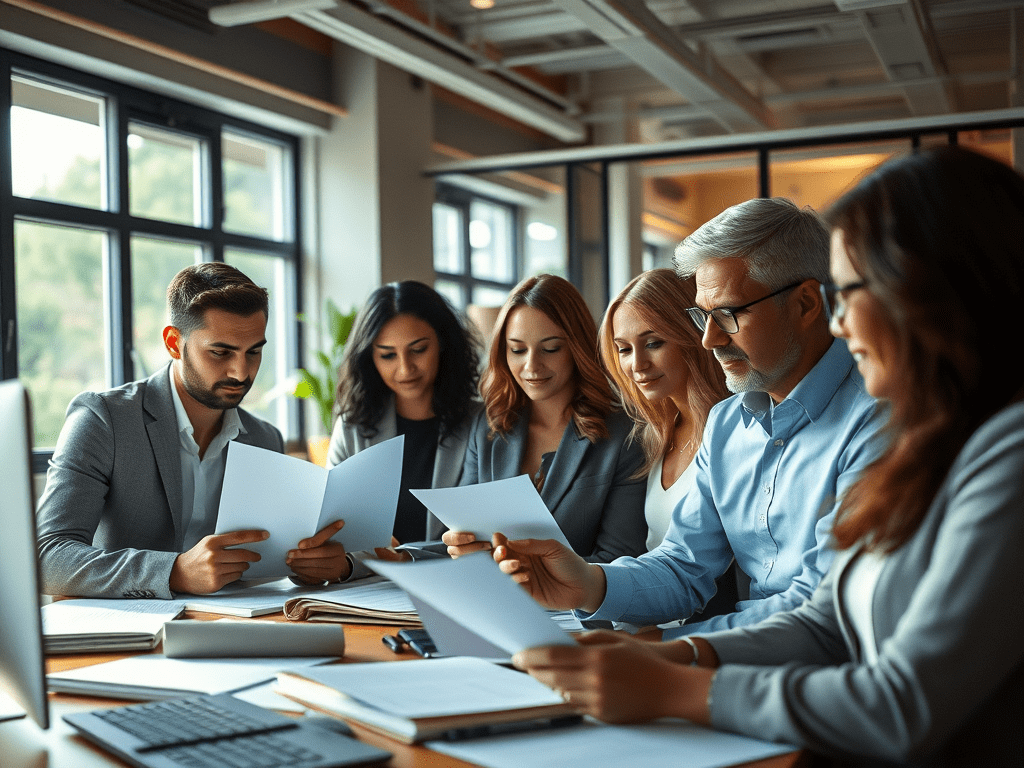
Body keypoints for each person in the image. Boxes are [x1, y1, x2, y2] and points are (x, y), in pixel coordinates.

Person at [513, 146, 1024, 767]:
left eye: (852, 291)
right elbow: (825, 616)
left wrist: (677, 679)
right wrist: (655, 639)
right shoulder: (929, 433)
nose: (842, 322)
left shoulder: (991, 451)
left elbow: (901, 703)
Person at [452, 197, 884, 635]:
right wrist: (585, 583)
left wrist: (670, 649)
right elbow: (683, 566)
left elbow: (822, 604)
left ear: (807, 304)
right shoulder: (727, 424)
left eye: (729, 315)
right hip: (747, 660)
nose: (711, 340)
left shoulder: (876, 420)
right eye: (703, 317)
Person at [36, 262, 348, 599]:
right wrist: (175, 572)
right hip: (129, 631)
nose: (241, 372)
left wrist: (314, 565)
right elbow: (46, 557)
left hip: (238, 626)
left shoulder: (265, 439)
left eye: (254, 352)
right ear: (173, 343)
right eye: (220, 352)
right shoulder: (103, 420)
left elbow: (276, 554)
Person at [447, 273, 648, 563]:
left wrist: (528, 571)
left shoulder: (623, 434)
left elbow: (620, 558)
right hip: (491, 598)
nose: (531, 366)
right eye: (517, 350)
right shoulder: (489, 425)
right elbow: (463, 534)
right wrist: (453, 546)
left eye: (551, 348)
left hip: (576, 607)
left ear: (577, 348)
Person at [325, 280, 482, 579]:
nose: (405, 369)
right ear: (369, 357)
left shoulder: (481, 424)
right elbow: (335, 530)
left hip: (456, 587)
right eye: (387, 355)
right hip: (367, 591)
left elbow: (483, 535)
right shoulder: (352, 427)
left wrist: (407, 560)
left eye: (418, 350)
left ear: (443, 343)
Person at [598, 269, 728, 550]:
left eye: (653, 343)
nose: (637, 364)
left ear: (693, 335)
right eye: (624, 349)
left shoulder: (734, 430)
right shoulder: (656, 435)